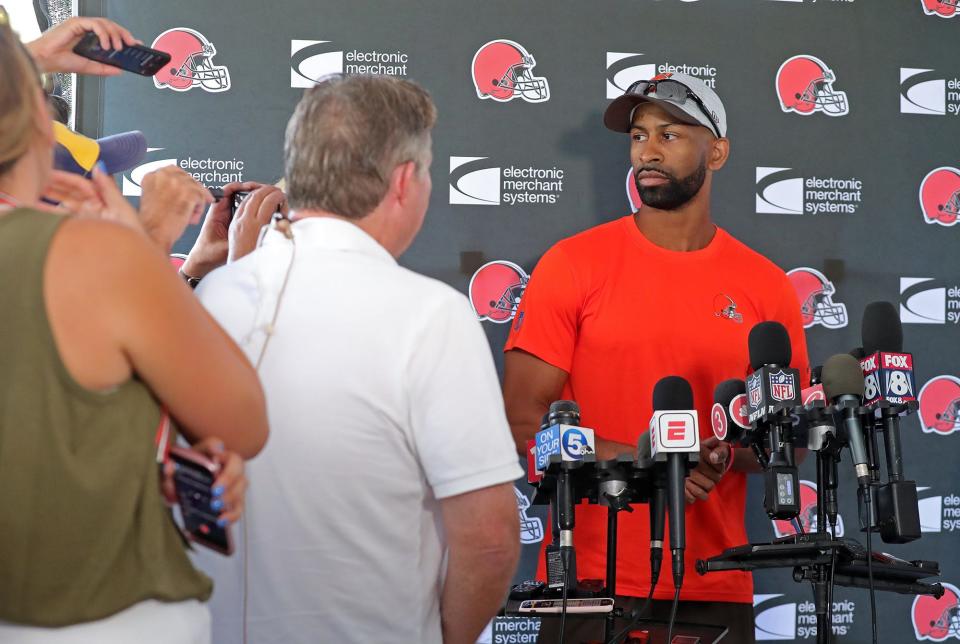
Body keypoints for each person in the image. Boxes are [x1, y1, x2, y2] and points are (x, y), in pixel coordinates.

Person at [191, 74, 522, 644]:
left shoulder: (207, 299)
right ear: (402, 182)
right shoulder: (431, 316)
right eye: (429, 172)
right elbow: (489, 539)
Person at [502, 73, 810, 643]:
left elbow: (779, 442)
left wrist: (716, 457)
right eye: (639, 135)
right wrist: (653, 460)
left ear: (716, 151)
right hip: (589, 584)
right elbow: (524, 420)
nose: (647, 149)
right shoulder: (572, 265)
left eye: (670, 134)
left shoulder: (766, 287)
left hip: (715, 582)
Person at [0, 16, 269, 643]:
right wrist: (139, 246)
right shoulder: (98, 256)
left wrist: (145, 456)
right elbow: (242, 422)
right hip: (101, 614)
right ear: (41, 125)